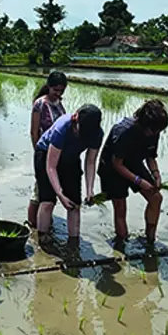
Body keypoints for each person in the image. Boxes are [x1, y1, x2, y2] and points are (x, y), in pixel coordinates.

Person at [98, 99, 168, 243]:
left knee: (156, 198)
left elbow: (150, 156)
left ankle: (150, 239)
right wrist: (139, 181)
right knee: (120, 206)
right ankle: (122, 242)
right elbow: (117, 164)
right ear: (143, 122)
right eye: (154, 130)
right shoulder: (124, 131)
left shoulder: (154, 130)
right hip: (111, 168)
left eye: (158, 131)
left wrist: (156, 174)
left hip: (133, 163)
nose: (156, 133)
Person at [34, 104, 104, 244]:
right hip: (46, 155)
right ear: (75, 118)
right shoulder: (63, 128)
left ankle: (73, 242)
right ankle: (42, 238)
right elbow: (51, 167)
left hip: (71, 159)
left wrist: (90, 190)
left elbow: (90, 162)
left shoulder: (97, 134)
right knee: (48, 201)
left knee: (74, 204)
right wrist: (60, 194)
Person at [27, 71, 68, 227]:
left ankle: (44, 220)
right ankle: (32, 223)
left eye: (61, 91)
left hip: (57, 152)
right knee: (39, 188)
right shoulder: (40, 104)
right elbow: (34, 131)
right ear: (49, 87)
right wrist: (39, 153)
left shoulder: (58, 104)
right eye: (55, 90)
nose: (58, 93)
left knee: (51, 188)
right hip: (43, 151)